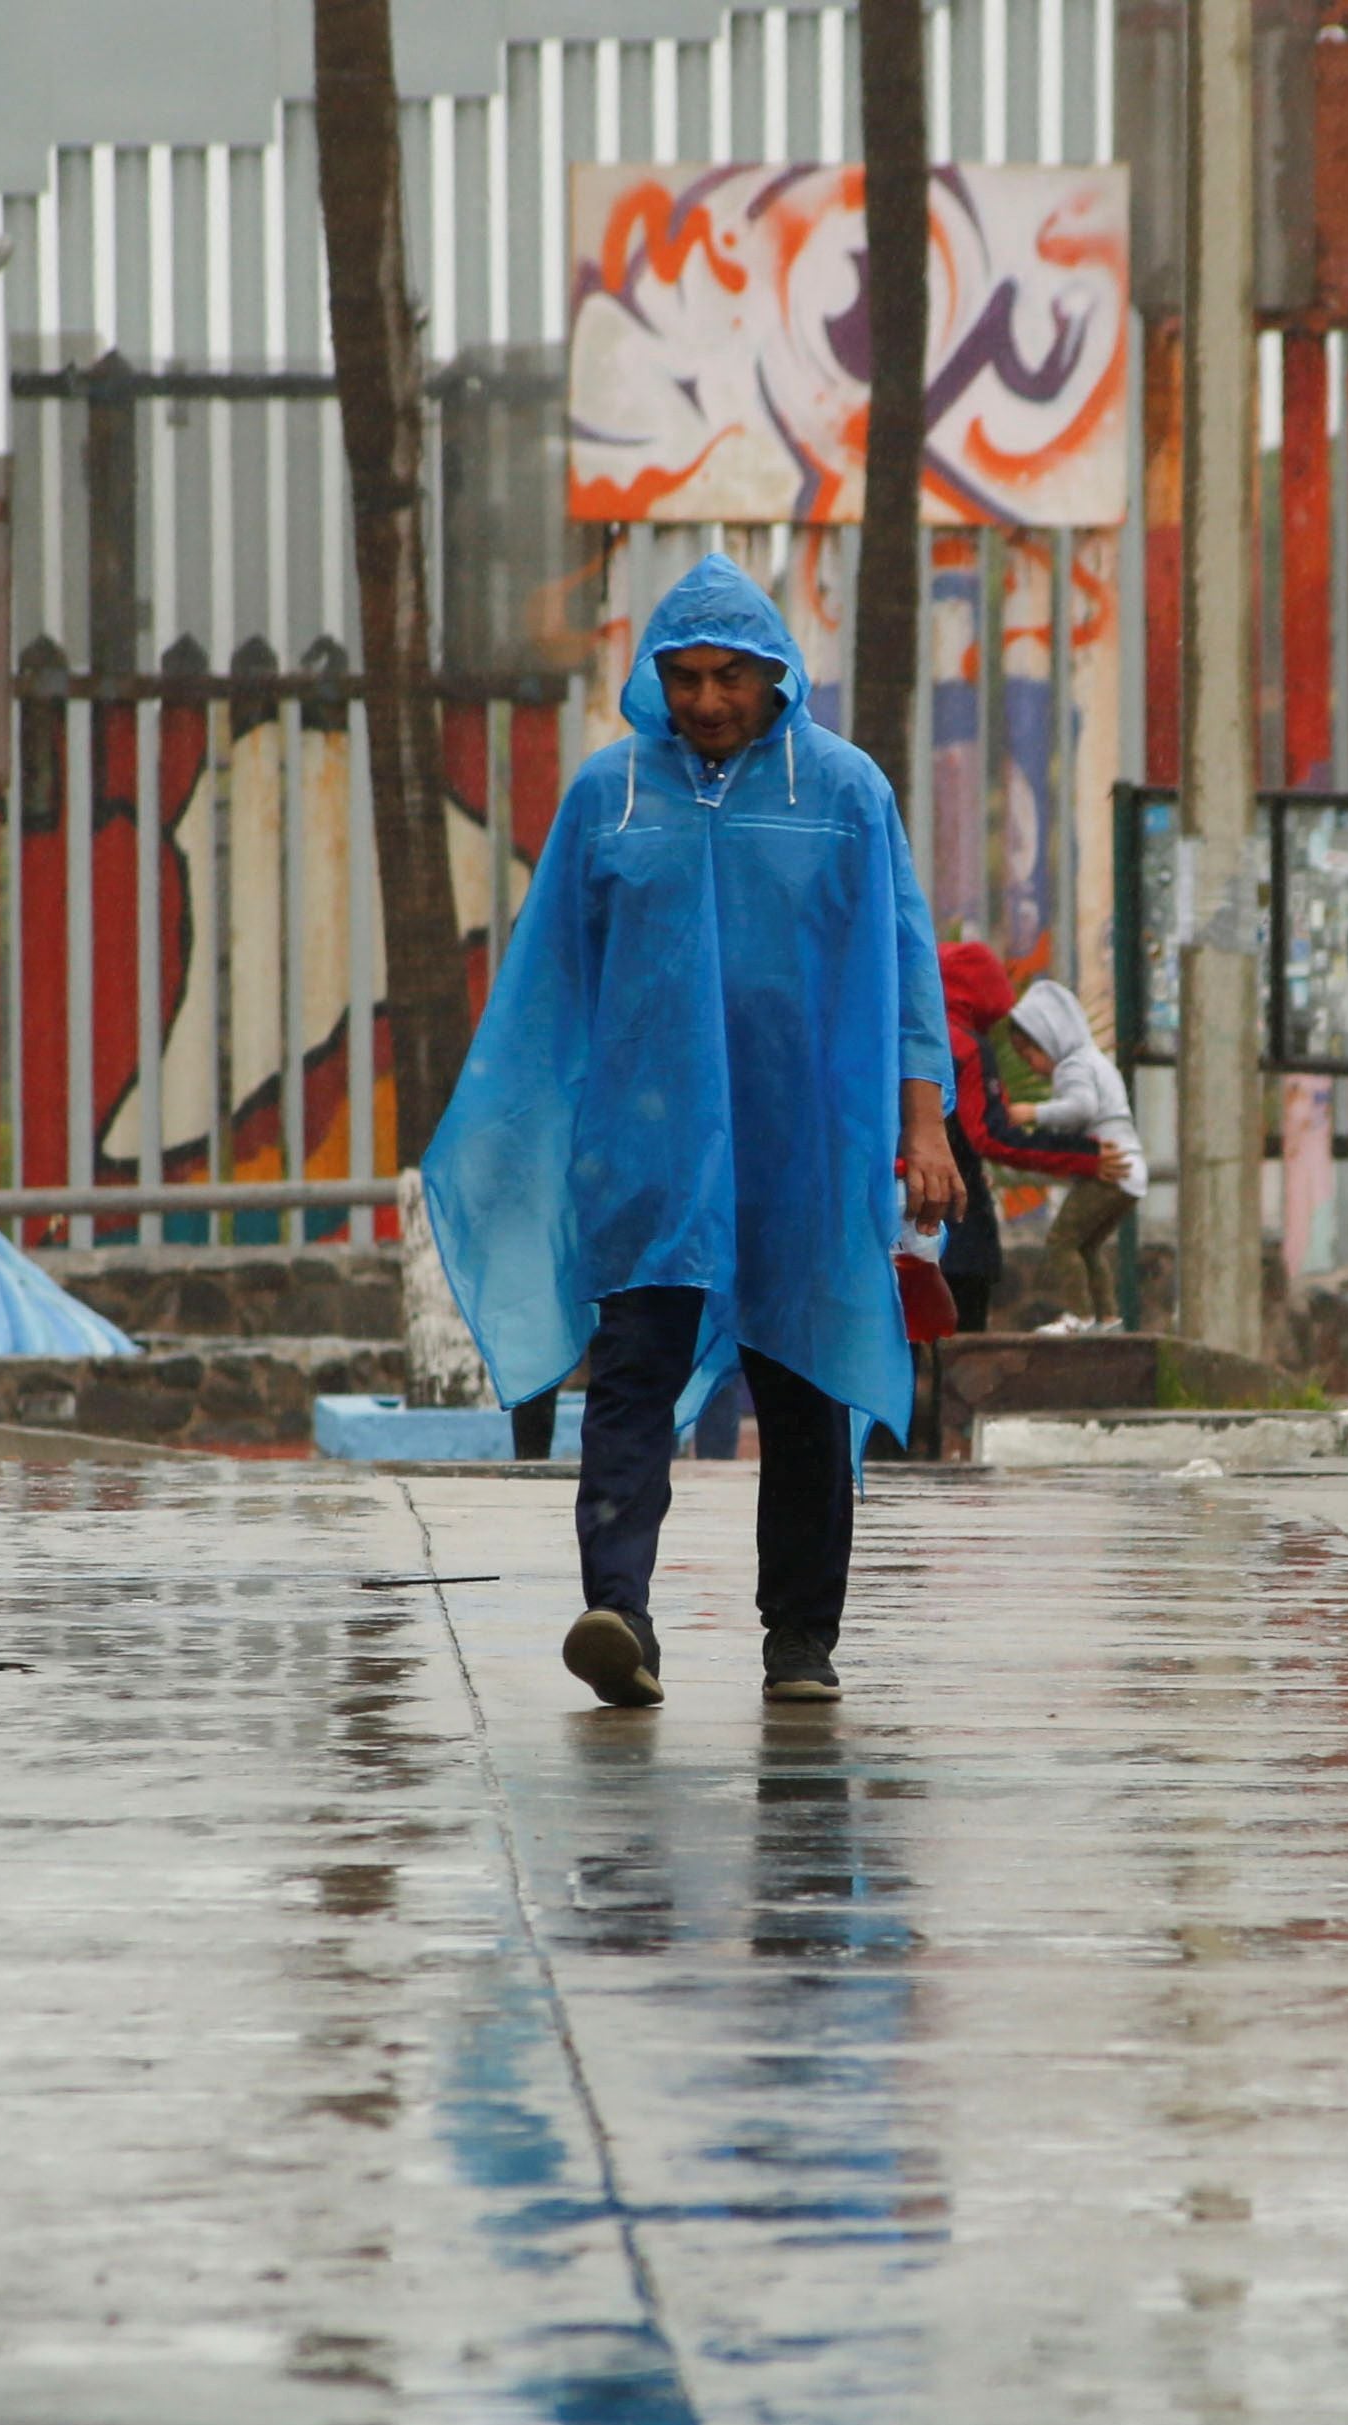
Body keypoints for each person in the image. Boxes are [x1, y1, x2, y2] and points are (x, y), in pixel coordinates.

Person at [420, 553, 961, 1710]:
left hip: (802, 1154)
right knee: (630, 1380)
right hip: (649, 1154)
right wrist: (527, 1140)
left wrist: (925, 1124)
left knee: (805, 1387)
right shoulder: (607, 798)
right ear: (653, 679)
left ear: (777, 677)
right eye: (685, 678)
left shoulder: (848, 795)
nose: (708, 702)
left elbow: (905, 966)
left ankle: (799, 1641)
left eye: (731, 677)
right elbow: (548, 987)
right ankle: (618, 1613)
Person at [932, 941, 1120, 1324]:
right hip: (955, 1234)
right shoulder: (965, 1047)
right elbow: (990, 1135)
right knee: (960, 1369)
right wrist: (1084, 1155)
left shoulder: (899, 1036)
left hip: (891, 1231)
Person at [1005, 973, 1146, 1325]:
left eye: (1031, 1054)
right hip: (1129, 1166)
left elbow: (1081, 1108)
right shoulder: (1094, 1060)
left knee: (1061, 1240)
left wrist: (1032, 1113)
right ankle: (1108, 1317)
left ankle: (1079, 1316)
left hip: (1110, 1165)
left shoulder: (1073, 1066)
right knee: (1088, 1246)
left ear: (1051, 1038)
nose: (1031, 1065)